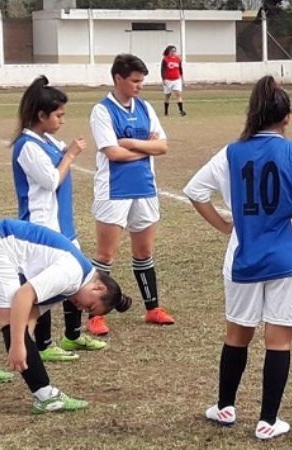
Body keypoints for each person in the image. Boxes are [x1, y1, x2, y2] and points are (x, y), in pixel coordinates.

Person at [184, 76, 292, 441]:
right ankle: (268, 420)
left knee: (237, 334)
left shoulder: (231, 152)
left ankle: (225, 406)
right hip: (288, 257)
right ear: (286, 117)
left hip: (244, 257)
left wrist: (225, 226)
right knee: (278, 340)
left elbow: (195, 191)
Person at [0, 218, 131, 413]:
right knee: (9, 314)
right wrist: (18, 344)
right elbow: (23, 296)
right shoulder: (71, 273)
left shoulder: (71, 287)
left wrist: (24, 341)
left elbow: (30, 314)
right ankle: (47, 397)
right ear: (98, 287)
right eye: (89, 305)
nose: (81, 308)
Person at [11, 76, 107, 362]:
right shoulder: (27, 146)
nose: (62, 121)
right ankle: (43, 343)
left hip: (62, 224)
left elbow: (60, 155)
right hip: (42, 226)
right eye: (58, 115)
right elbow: (51, 180)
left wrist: (66, 152)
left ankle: (73, 335)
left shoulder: (47, 139)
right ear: (41, 115)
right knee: (45, 285)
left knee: (75, 277)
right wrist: (71, 155)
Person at [87, 53, 174, 336]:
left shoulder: (146, 108)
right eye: (135, 81)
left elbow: (162, 147)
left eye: (142, 81)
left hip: (145, 188)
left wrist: (131, 144)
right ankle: (96, 314)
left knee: (144, 252)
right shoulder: (102, 111)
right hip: (114, 190)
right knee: (105, 255)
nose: (140, 86)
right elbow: (112, 153)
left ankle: (152, 308)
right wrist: (144, 148)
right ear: (118, 79)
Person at [161, 45, 186, 117]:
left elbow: (180, 69)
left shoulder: (178, 59)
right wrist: (163, 79)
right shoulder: (165, 59)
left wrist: (182, 78)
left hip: (176, 79)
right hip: (168, 80)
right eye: (172, 51)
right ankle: (166, 111)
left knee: (178, 94)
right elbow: (162, 70)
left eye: (175, 51)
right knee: (167, 96)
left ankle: (181, 111)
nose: (173, 52)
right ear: (168, 51)